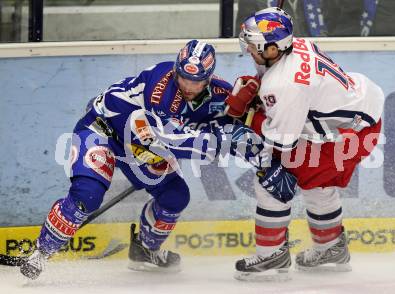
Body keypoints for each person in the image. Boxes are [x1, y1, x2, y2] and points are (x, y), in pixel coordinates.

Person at [20, 39, 295, 280]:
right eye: (183, 78)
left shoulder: (218, 92)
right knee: (87, 196)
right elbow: (175, 140)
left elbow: (241, 121)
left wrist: (249, 106)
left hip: (141, 146)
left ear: (208, 78)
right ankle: (40, 253)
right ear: (176, 70)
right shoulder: (160, 89)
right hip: (102, 130)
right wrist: (225, 138)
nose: (188, 86)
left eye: (197, 80)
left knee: (176, 197)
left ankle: (145, 250)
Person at [225, 7, 384, 280]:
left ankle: (270, 254)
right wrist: (261, 93)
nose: (248, 49)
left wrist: (247, 117)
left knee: (271, 178)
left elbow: (281, 142)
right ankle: (331, 247)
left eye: (253, 45)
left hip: (350, 134)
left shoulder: (284, 85)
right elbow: (287, 92)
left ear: (274, 49)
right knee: (317, 184)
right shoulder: (298, 44)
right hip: (359, 117)